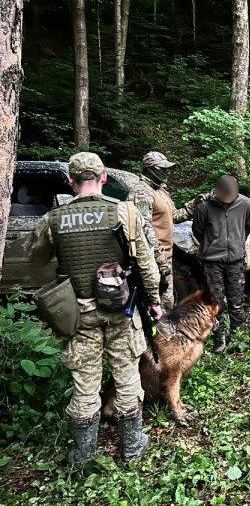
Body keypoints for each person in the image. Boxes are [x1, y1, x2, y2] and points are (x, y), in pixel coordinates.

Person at [25, 153, 162, 463]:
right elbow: (146, 264)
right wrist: (153, 301)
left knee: (85, 382)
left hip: (78, 312)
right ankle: (132, 446)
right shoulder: (125, 213)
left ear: (71, 182)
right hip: (121, 309)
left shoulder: (54, 219)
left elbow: (37, 260)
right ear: (103, 179)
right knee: (127, 375)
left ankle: (83, 454)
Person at [128, 151, 203, 311]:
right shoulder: (142, 193)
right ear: (151, 169)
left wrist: (195, 204)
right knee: (154, 306)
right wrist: (159, 259)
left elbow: (174, 216)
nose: (167, 171)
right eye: (163, 168)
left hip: (165, 259)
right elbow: (143, 229)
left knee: (167, 304)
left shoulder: (161, 191)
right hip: (151, 261)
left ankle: (162, 335)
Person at [192, 175, 250, 354]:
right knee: (216, 301)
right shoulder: (204, 207)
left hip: (235, 260)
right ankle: (219, 338)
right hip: (212, 262)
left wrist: (236, 243)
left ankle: (237, 337)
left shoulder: (245, 204)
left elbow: (248, 226)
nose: (228, 198)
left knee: (236, 301)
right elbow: (197, 231)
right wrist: (212, 244)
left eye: (231, 194)